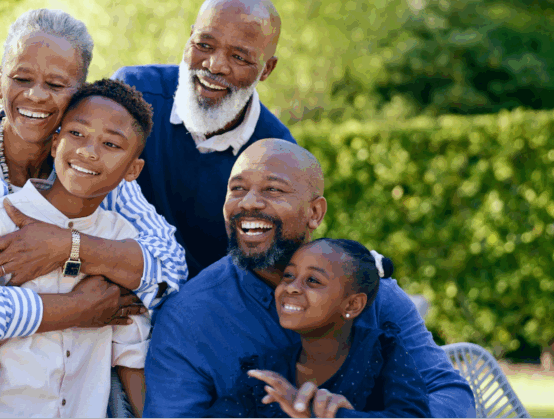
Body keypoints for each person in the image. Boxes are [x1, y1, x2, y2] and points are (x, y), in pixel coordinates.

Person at [0, 10, 187, 368]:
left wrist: (67, 246)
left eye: (55, 85)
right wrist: (76, 308)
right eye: (21, 78)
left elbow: (170, 269)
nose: (35, 95)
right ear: (0, 82)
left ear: (80, 95)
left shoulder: (89, 166)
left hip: (78, 387)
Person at [143, 139, 475, 418]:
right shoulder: (188, 317)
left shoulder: (373, 292)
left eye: (273, 189)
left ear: (314, 213)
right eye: (237, 189)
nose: (249, 202)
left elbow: (449, 392)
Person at [0, 80, 154, 418]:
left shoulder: (121, 239)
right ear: (55, 143)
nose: (89, 151)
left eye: (110, 144)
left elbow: (130, 354)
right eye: (77, 134)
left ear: (133, 170)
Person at [112, 0, 295, 277]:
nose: (214, 65)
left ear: (266, 69)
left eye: (239, 57)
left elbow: (266, 270)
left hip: (201, 309)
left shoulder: (278, 154)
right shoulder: (133, 94)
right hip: (110, 277)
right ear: (189, 38)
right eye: (204, 45)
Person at [242, 238, 431, 418]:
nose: (292, 287)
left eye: (313, 280)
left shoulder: (382, 352)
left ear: (352, 305)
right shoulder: (267, 370)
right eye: (288, 276)